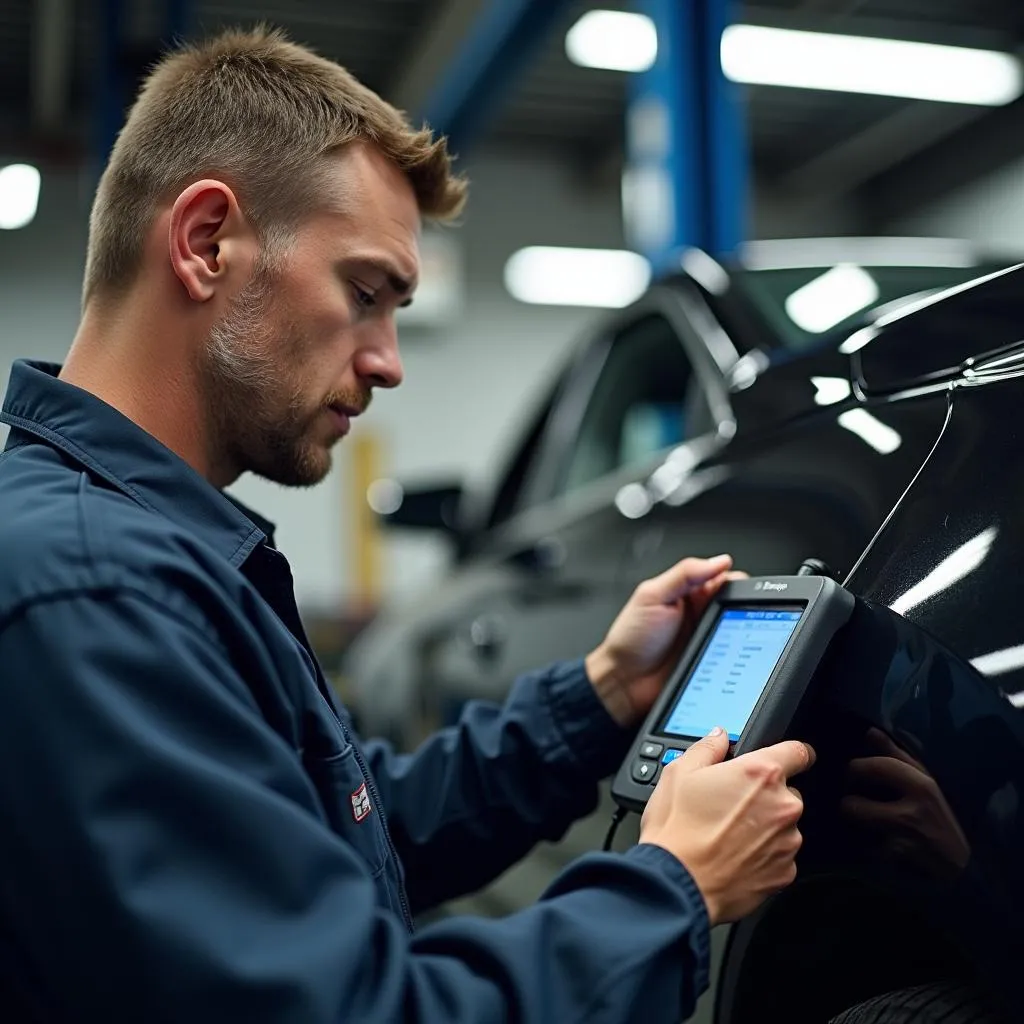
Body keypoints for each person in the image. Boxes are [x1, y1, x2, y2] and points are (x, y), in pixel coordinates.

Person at [0, 27, 814, 1023]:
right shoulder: (94, 592)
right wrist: (668, 889)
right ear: (207, 241)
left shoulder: (143, 555)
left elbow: (353, 829)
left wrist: (600, 696)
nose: (388, 361)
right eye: (364, 293)